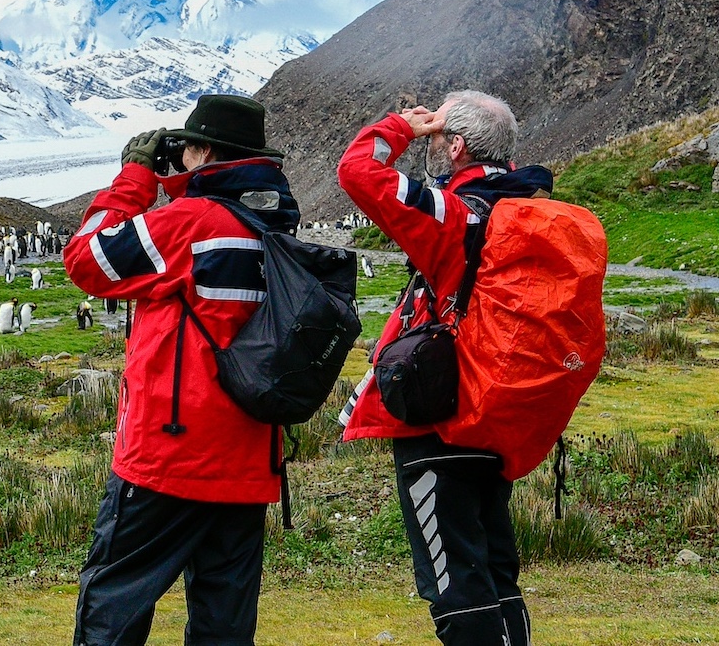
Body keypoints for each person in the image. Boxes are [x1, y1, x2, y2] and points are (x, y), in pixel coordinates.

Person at [62, 94, 297, 646]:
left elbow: (86, 259)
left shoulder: (187, 222)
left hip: (169, 458)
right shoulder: (276, 228)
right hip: (247, 457)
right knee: (224, 627)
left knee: (112, 611)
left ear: (203, 152)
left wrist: (134, 179)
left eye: (187, 145)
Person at [338, 91, 544, 646]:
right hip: (500, 419)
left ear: (456, 146)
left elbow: (357, 171)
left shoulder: (455, 213)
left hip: (438, 420)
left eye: (437, 135)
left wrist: (401, 127)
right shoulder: (528, 211)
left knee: (454, 588)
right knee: (498, 576)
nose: (431, 142)